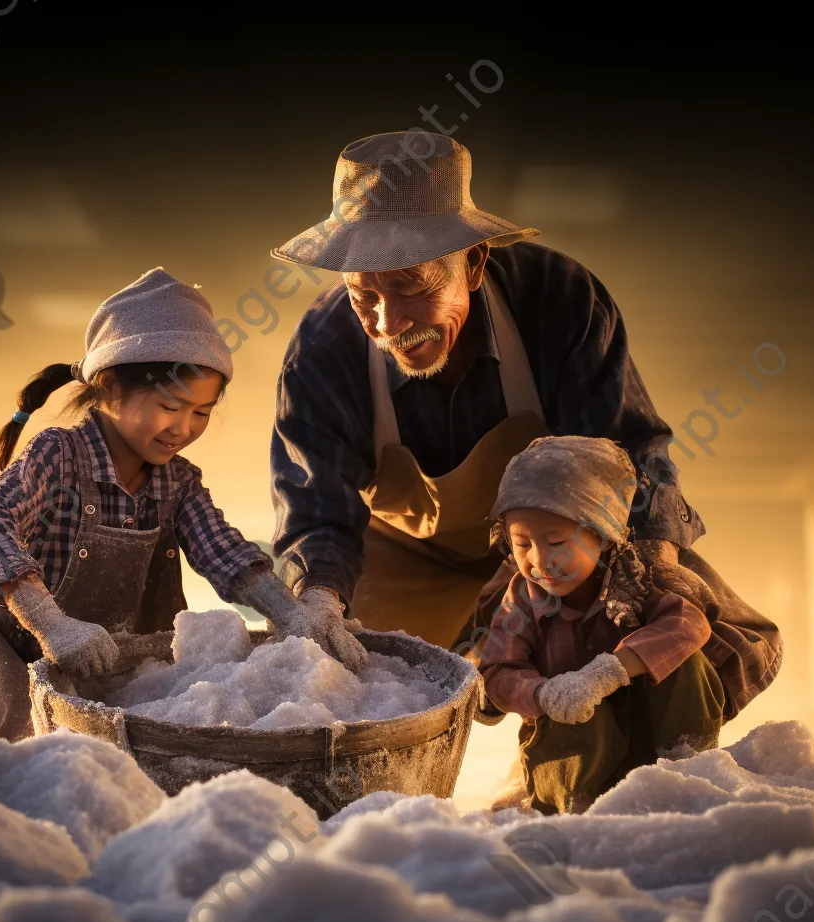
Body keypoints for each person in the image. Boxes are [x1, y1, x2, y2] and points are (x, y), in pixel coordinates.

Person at [269, 130, 781, 716]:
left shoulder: (558, 300)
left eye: (411, 285)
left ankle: (591, 766)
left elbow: (627, 454)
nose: (388, 323)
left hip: (555, 542)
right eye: (365, 295)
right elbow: (316, 514)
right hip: (399, 563)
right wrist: (318, 599)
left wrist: (651, 563)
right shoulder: (320, 352)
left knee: (680, 629)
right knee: (347, 677)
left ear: (475, 262)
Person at [0, 269, 366, 746]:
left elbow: (226, 556)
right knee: (3, 780)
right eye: (169, 406)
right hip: (11, 660)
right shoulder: (60, 455)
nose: (183, 429)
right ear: (109, 387)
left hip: (112, 669)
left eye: (201, 412)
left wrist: (291, 614)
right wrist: (51, 624)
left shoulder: (180, 483)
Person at [478, 436, 724, 815]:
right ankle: (576, 808)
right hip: (571, 755)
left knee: (686, 662)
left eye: (556, 541)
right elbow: (496, 672)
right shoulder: (521, 602)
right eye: (522, 544)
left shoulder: (640, 580)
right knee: (570, 713)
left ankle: (687, 772)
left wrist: (610, 671)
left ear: (604, 536)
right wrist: (544, 694)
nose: (540, 561)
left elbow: (689, 624)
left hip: (648, 739)